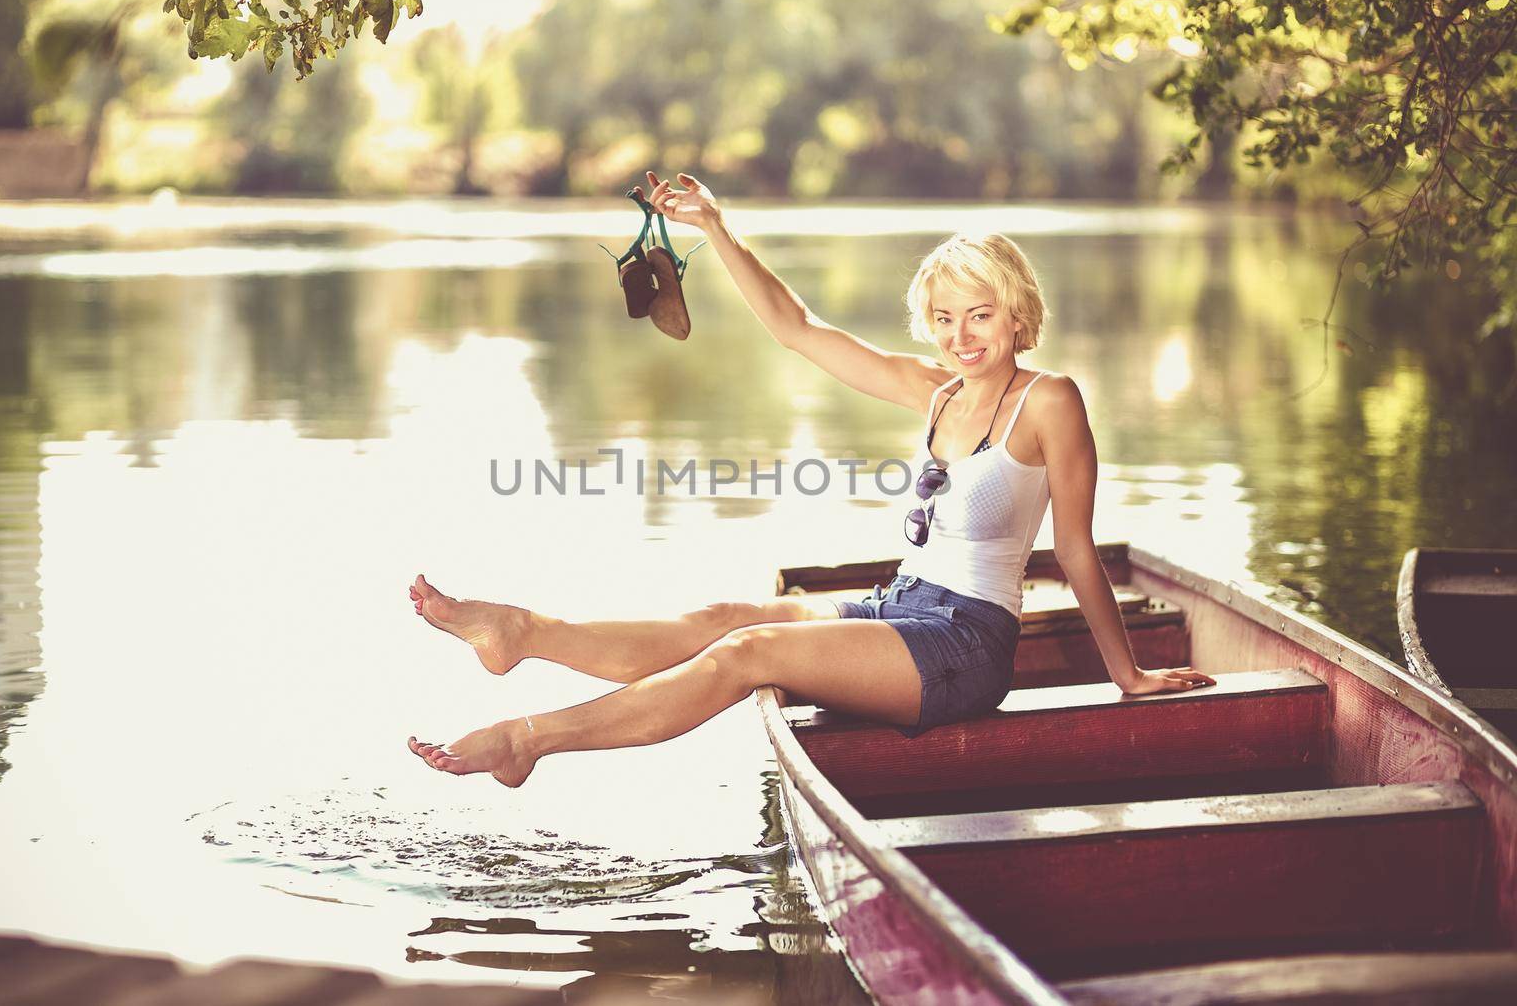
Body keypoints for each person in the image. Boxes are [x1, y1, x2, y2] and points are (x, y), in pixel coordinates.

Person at [406, 170, 1214, 786]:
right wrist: (716, 228)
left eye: (979, 314)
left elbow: (1075, 550)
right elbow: (797, 328)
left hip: (964, 647)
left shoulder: (1051, 402)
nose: (960, 336)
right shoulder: (935, 392)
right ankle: (523, 633)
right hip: (899, 607)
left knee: (748, 651)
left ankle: (529, 740)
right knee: (726, 617)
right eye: (943, 317)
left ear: (1015, 313)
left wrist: (1128, 674)